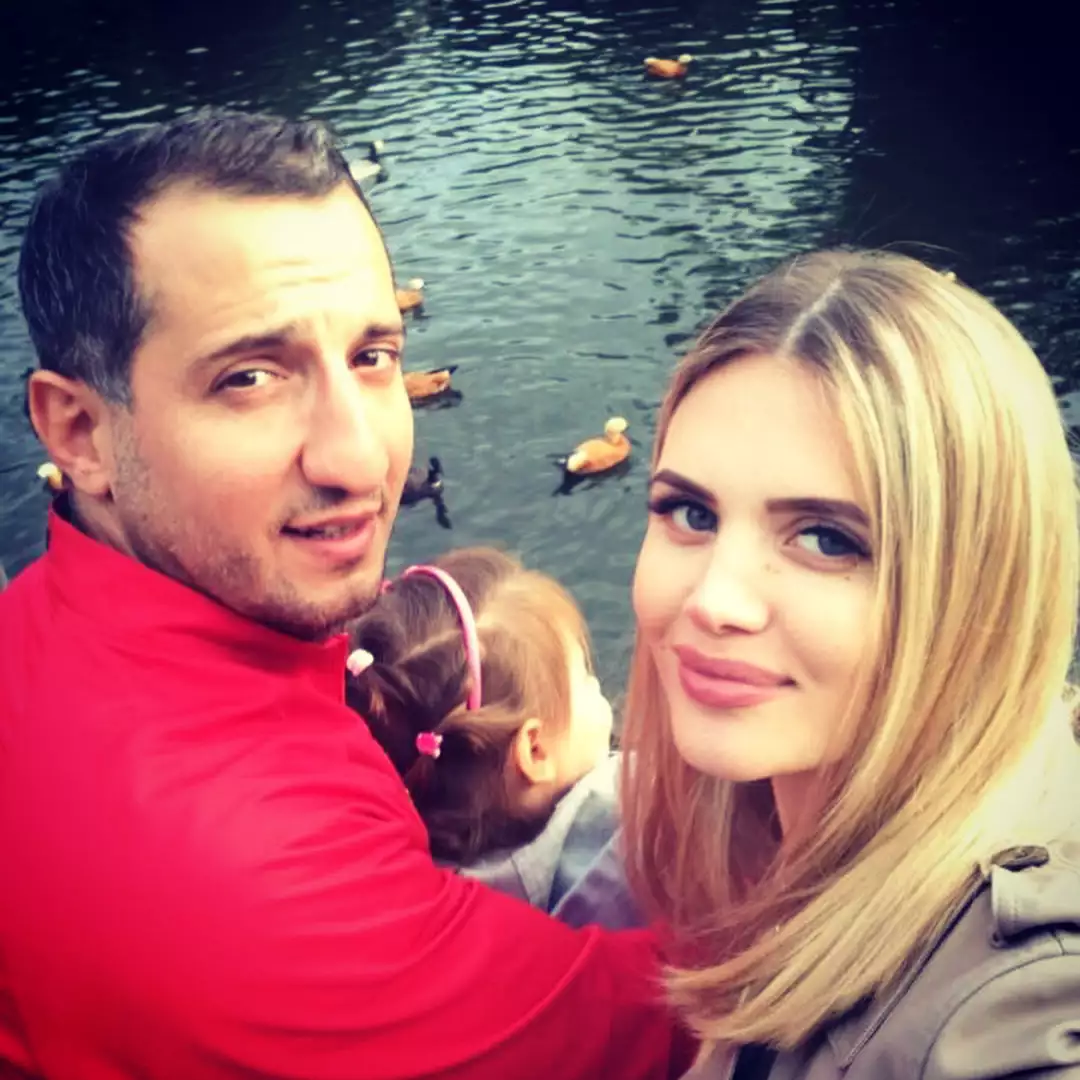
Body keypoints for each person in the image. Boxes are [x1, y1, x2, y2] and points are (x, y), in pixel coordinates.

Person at [0, 108, 691, 1080]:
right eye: (249, 377)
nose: (362, 458)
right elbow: (685, 1020)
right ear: (79, 433)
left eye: (373, 357)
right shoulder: (266, 892)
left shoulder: (37, 636)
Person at [617, 249, 1080, 1079]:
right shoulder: (777, 814)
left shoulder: (1023, 1004)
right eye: (690, 512)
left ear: (982, 585)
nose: (716, 599)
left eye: (828, 539)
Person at [346, 545, 630, 920]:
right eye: (584, 678)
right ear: (535, 750)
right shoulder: (628, 823)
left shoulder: (390, 884)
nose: (596, 687)